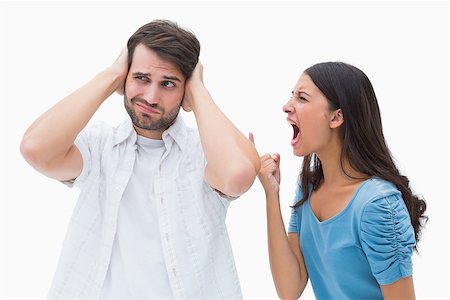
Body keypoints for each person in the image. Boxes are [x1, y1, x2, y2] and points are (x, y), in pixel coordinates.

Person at [20, 20, 260, 299]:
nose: (151, 96)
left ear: (186, 91)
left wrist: (200, 94)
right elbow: (35, 149)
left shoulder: (204, 153)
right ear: (125, 77)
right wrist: (111, 75)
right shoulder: (100, 147)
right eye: (141, 78)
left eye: (168, 84)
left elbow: (237, 177)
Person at [252, 62, 427, 299]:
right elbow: (289, 288)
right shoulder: (309, 187)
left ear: (336, 117)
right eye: (291, 96)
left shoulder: (378, 204)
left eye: (302, 98)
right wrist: (271, 195)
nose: (287, 106)